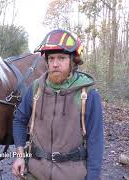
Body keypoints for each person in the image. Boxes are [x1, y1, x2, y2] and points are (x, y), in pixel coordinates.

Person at [12, 29, 104, 180]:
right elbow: (19, 120)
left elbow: (96, 139)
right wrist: (20, 156)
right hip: (34, 173)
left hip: (72, 175)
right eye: (51, 58)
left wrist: (93, 176)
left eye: (61, 58)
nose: (55, 64)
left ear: (73, 61)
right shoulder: (36, 89)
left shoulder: (87, 94)